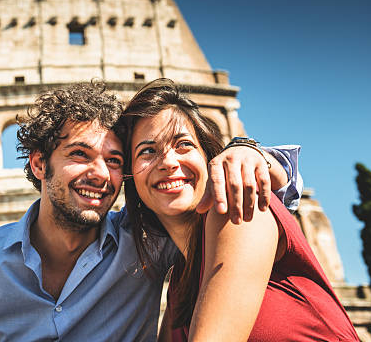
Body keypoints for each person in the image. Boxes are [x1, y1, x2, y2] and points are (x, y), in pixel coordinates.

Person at [0, 81, 301, 341]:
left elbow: (217, 197)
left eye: (114, 160)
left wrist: (247, 150)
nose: (101, 174)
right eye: (79, 155)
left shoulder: (148, 240)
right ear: (39, 165)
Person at [120, 78, 357, 341]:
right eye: (147, 151)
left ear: (212, 159)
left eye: (183, 144)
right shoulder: (178, 281)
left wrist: (249, 148)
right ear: (130, 178)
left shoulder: (241, 207)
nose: (168, 162)